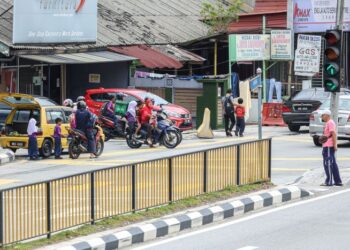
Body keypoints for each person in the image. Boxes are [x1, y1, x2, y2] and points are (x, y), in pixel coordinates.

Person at [321, 110, 342, 186]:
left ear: (327, 115)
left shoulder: (330, 123)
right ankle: (337, 181)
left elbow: (333, 134)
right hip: (327, 145)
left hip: (329, 146)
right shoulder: (328, 123)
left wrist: (335, 144)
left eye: (323, 115)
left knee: (328, 163)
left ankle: (329, 181)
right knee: (333, 164)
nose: (322, 117)